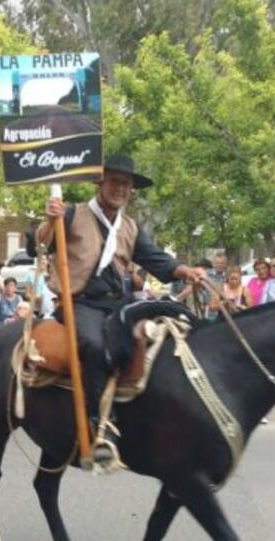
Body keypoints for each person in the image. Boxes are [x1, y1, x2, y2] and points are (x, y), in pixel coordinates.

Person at [37, 154, 203, 467]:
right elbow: (42, 244)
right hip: (79, 303)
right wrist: (50, 221)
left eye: (127, 185)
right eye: (115, 182)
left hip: (118, 303)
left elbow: (158, 260)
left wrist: (185, 271)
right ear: (100, 182)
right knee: (97, 347)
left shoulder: (129, 227)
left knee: (159, 336)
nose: (121, 189)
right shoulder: (73, 214)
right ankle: (100, 424)